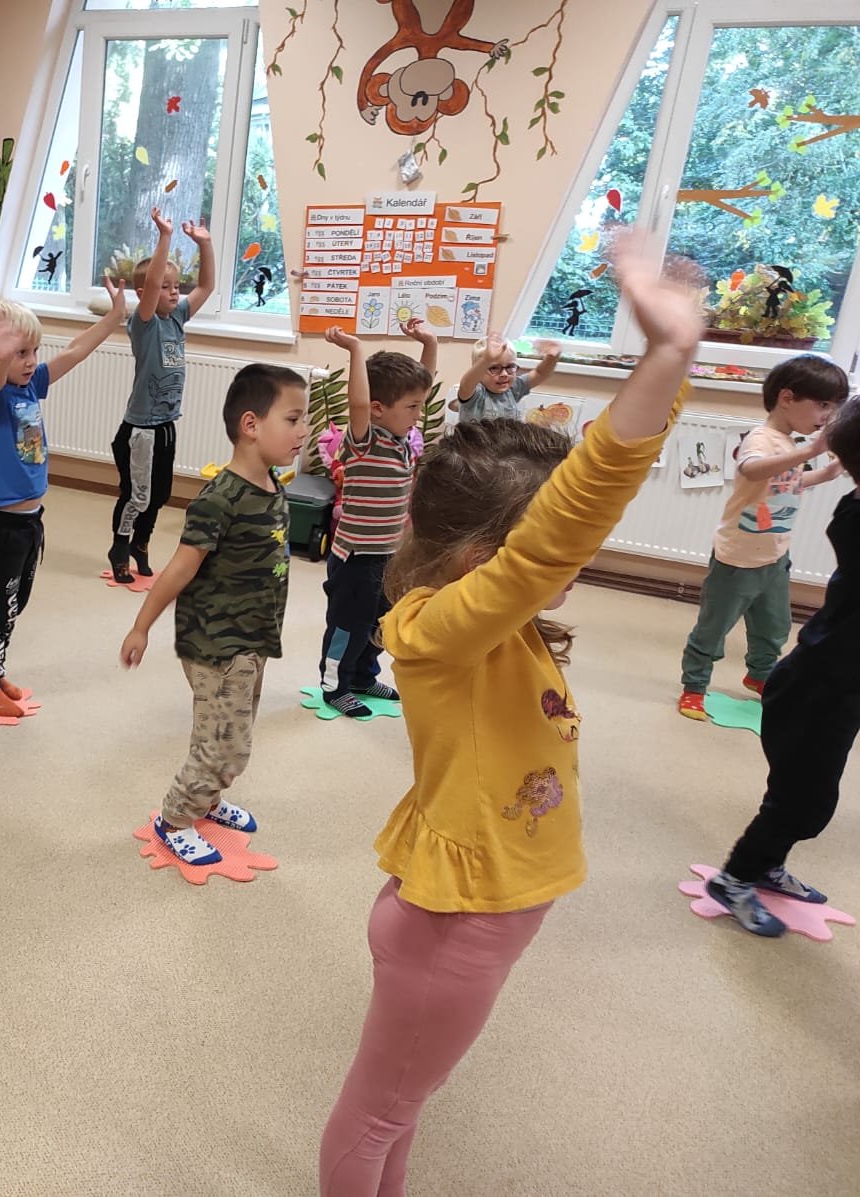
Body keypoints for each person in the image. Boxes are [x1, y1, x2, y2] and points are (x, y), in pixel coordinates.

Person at [318, 241, 703, 1196]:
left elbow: (571, 518)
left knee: (403, 1101)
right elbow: (557, 534)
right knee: (383, 1108)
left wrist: (675, 365)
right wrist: (663, 356)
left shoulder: (499, 623)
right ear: (485, 561)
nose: (581, 559)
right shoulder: (437, 630)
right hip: (455, 922)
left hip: (480, 907)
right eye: (563, 551)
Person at [119, 364, 308, 865]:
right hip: (217, 644)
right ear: (251, 425)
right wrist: (141, 627)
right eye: (293, 419)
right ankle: (176, 818)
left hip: (253, 638)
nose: (303, 431)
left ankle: (209, 799)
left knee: (233, 729)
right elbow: (179, 569)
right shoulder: (219, 500)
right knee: (224, 743)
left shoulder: (271, 482)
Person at [704, 395, 860, 936]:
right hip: (820, 686)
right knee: (805, 803)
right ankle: (735, 879)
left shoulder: (853, 507)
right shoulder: (856, 520)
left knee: (797, 793)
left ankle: (767, 865)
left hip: (832, 683)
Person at [0, 288, 125, 718]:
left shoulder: (31, 385)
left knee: (15, 605)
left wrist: (114, 318)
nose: (31, 360)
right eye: (20, 352)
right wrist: (2, 357)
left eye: (33, 351)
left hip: (30, 523)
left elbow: (73, 352)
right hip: (0, 528)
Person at [677, 354, 849, 718]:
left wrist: (826, 473)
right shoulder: (761, 438)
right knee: (714, 628)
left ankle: (759, 675)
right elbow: (752, 470)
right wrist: (810, 451)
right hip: (737, 557)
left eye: (834, 408)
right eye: (822, 405)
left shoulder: (788, 443)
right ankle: (694, 685)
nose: (828, 416)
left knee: (774, 627)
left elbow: (787, 483)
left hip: (775, 556)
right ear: (787, 398)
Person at [316, 318, 437, 719]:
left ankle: (363, 676)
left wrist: (430, 343)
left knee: (381, 622)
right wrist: (356, 350)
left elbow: (424, 384)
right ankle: (335, 686)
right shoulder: (365, 440)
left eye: (419, 406)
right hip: (356, 557)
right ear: (378, 409)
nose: (419, 413)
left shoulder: (403, 438)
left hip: (389, 554)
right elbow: (357, 404)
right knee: (349, 624)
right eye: (412, 407)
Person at [108, 206, 215, 583]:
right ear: (145, 295)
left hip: (166, 424)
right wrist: (165, 237)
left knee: (160, 494)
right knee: (137, 495)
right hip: (140, 431)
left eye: (176, 286)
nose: (174, 292)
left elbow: (206, 286)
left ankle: (141, 543)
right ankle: (120, 546)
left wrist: (205, 245)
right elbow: (151, 285)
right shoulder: (145, 323)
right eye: (166, 287)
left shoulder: (177, 319)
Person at [448, 332, 561, 423]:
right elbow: (466, 384)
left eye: (510, 367)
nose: (504, 374)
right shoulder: (476, 393)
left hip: (506, 443)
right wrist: (486, 360)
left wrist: (552, 358)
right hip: (473, 445)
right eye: (494, 368)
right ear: (480, 370)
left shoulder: (514, 388)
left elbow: (540, 373)